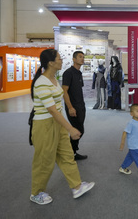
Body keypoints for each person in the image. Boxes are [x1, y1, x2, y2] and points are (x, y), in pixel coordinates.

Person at [30, 49, 94, 205]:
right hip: (44, 125)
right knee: (44, 160)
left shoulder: (53, 79)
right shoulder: (41, 82)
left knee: (67, 156)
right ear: (51, 63)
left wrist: (64, 126)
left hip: (57, 123)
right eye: (59, 58)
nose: (61, 60)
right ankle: (36, 193)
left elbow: (57, 107)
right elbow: (51, 110)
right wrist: (70, 128)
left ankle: (77, 186)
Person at [62, 51, 87, 160]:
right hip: (73, 107)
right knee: (78, 131)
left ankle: (73, 153)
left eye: (83, 57)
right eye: (80, 57)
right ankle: (68, 152)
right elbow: (64, 91)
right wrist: (70, 107)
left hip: (81, 106)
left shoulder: (79, 73)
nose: (82, 59)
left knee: (78, 130)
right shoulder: (68, 73)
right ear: (74, 59)